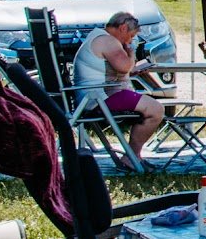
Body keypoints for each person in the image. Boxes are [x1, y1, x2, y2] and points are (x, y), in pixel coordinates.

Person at [70, 11, 165, 151]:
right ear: (123, 28)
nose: (130, 41)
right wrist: (131, 52)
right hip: (98, 98)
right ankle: (132, 155)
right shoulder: (108, 41)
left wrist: (131, 68)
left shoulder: (98, 37)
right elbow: (124, 67)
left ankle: (132, 155)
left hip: (93, 97)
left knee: (151, 107)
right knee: (156, 109)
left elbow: (119, 68)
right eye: (131, 36)